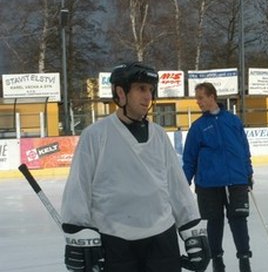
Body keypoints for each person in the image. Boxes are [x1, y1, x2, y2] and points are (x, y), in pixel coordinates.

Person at [60, 61, 210, 272]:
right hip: (115, 242)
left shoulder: (158, 135)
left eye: (150, 89)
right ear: (121, 92)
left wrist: (192, 228)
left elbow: (177, 186)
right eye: (141, 88)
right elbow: (79, 186)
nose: (148, 96)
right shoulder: (95, 135)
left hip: (162, 240)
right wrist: (77, 230)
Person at [182, 82, 254, 272]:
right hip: (208, 184)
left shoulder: (233, 121)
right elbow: (189, 158)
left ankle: (244, 260)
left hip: (236, 180)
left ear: (212, 96)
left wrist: (248, 174)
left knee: (239, 220)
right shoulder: (197, 127)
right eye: (197, 98)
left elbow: (244, 150)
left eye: (201, 97)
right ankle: (217, 261)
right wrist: (183, 184)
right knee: (214, 223)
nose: (198, 102)